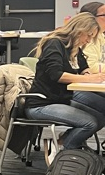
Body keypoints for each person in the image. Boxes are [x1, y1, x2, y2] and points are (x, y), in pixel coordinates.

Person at [26, 13, 105, 149]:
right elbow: (56, 75)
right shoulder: (54, 43)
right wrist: (88, 79)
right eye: (89, 35)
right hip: (42, 103)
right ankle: (68, 150)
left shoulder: (74, 47)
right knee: (90, 123)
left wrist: (87, 74)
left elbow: (83, 68)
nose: (88, 40)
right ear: (79, 30)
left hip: (62, 98)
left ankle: (67, 139)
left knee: (101, 117)